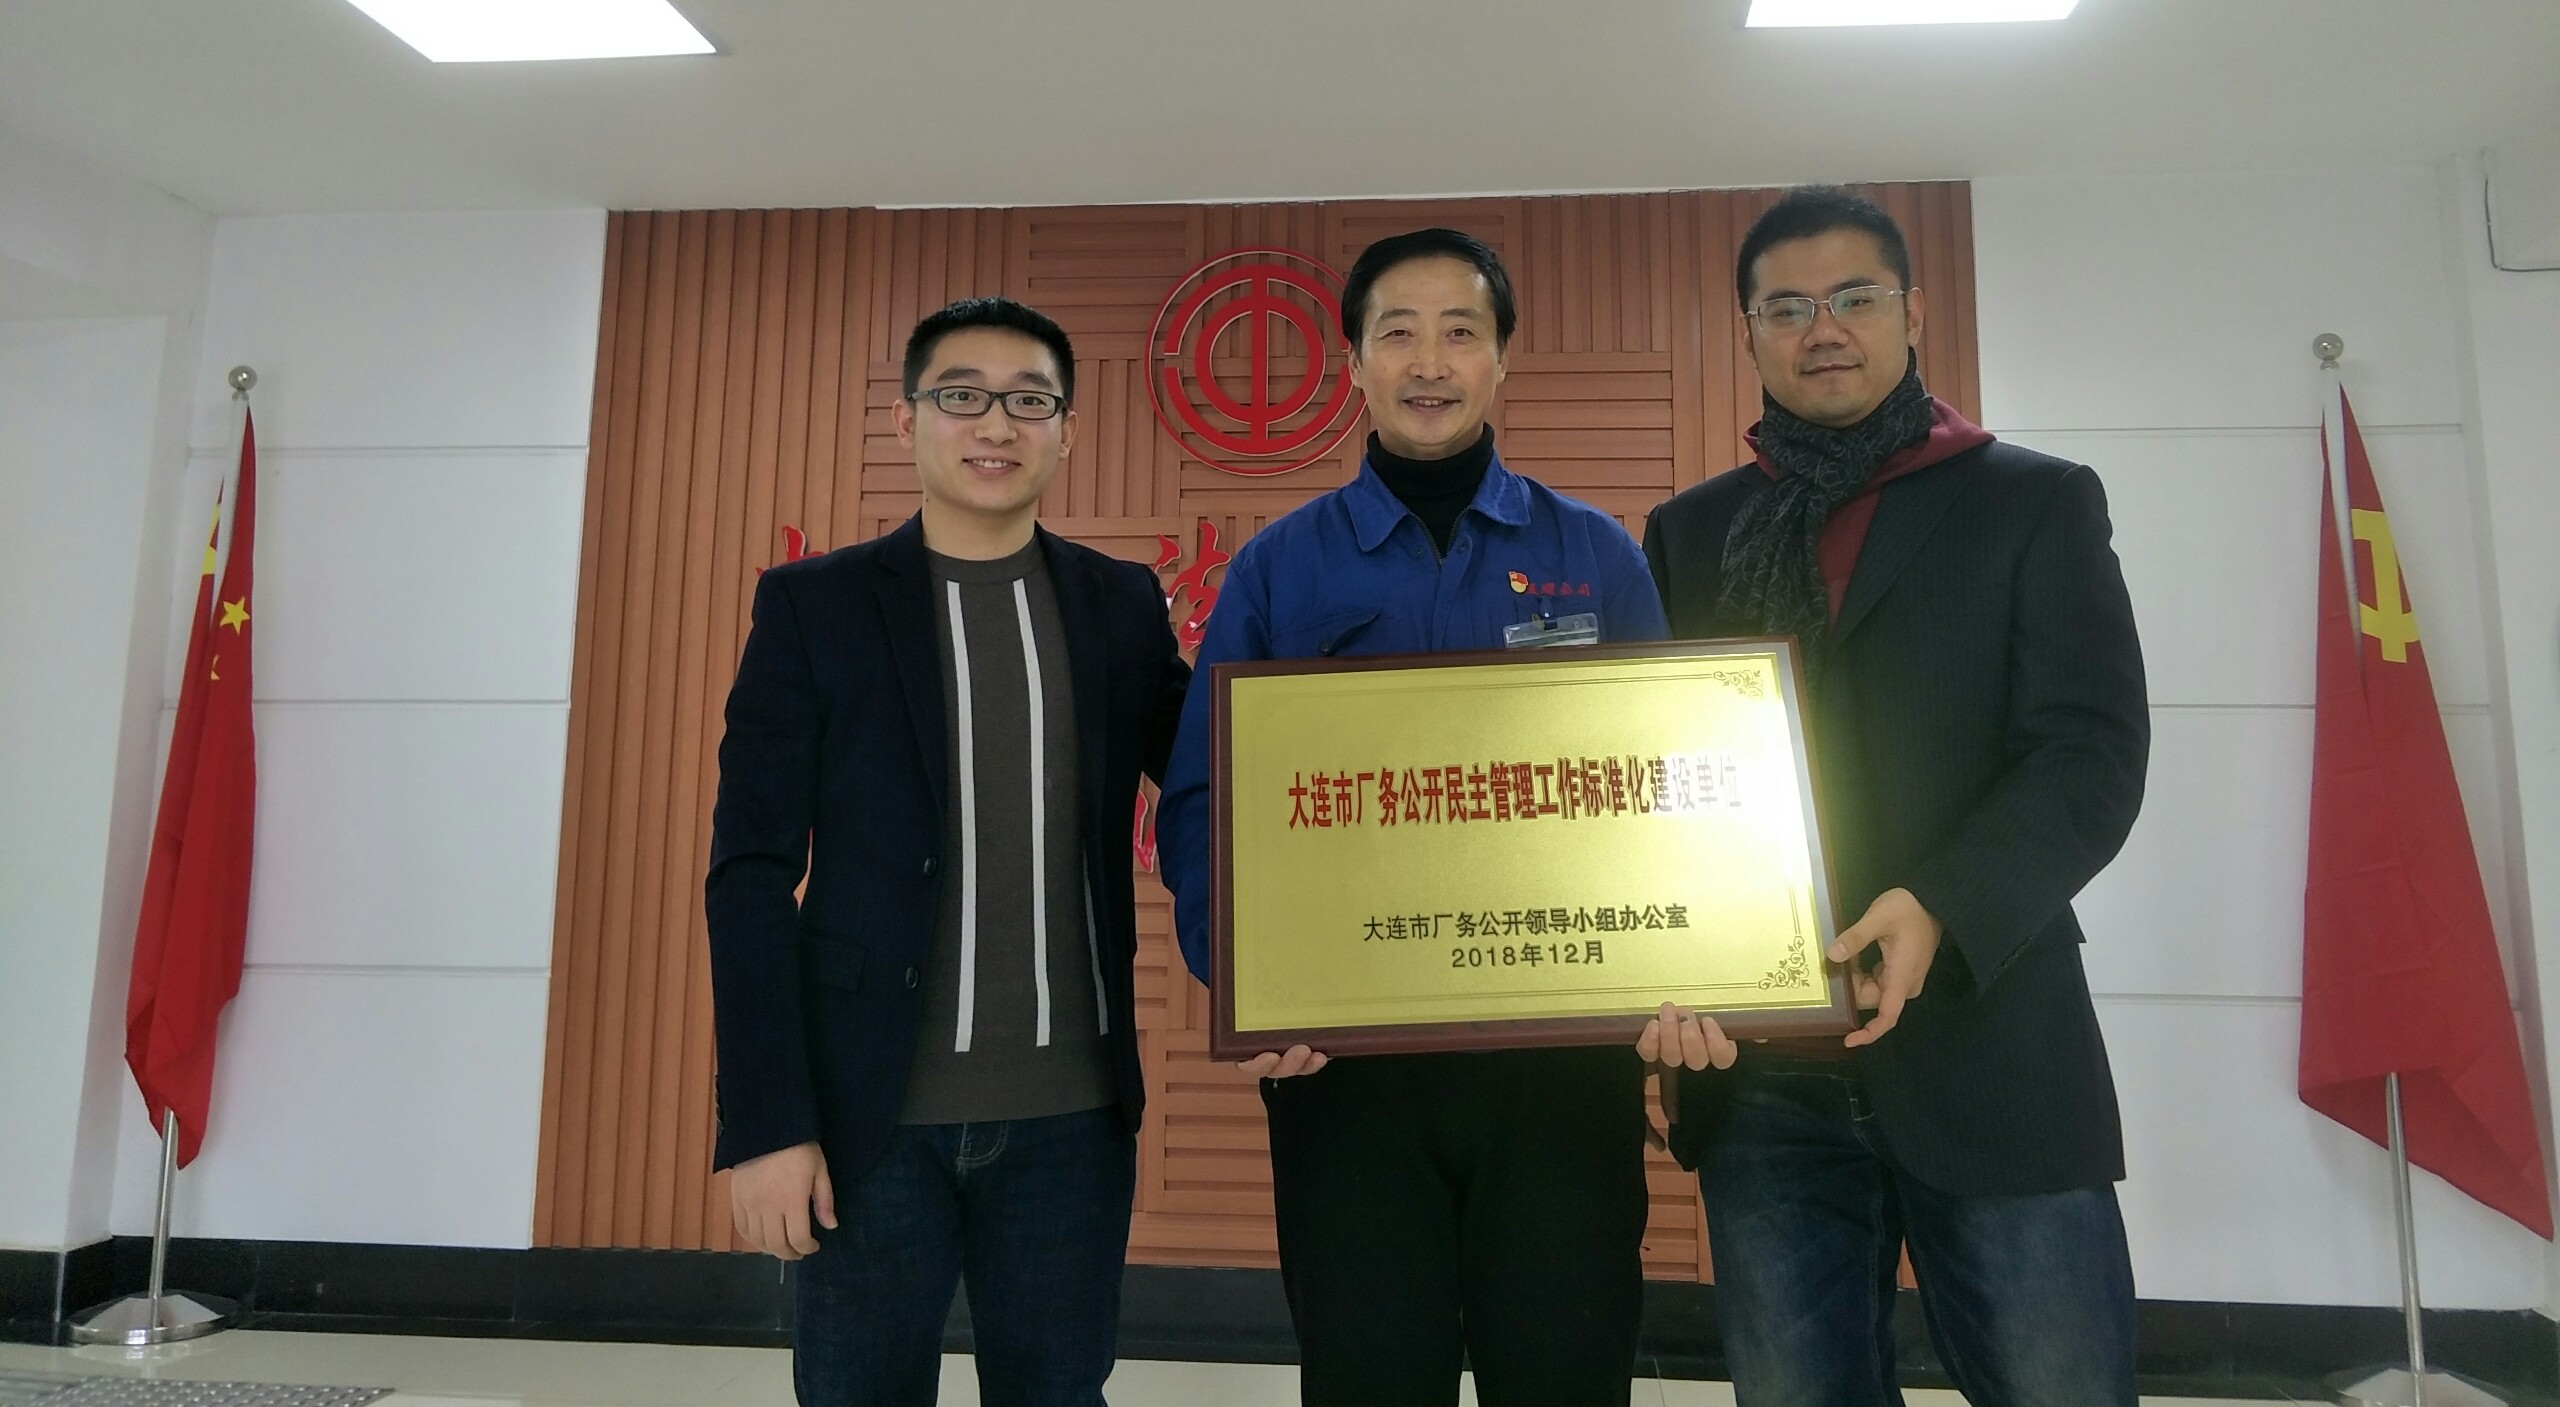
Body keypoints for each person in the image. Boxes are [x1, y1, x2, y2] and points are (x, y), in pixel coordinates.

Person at [1157, 228, 1730, 1407]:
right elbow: (1206, 794)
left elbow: (1668, 780)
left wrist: (1696, 960)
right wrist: (1248, 981)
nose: (1429, 362)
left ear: (1502, 359)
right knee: (1369, 1377)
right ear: (1354, 364)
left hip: (1560, 1062)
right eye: (1398, 334)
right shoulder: (1279, 570)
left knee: (1564, 1373)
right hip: (1347, 1071)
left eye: (1460, 332)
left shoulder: (1595, 555)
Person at [1644, 186, 2150, 1406]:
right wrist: (1652, 972)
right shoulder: (1690, 534)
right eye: (1786, 308)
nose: (1822, 329)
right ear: (1749, 333)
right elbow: (1651, 781)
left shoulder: (2031, 499)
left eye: (1854, 298)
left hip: (1988, 1034)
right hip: (1759, 1071)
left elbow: (2088, 754)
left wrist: (1938, 906)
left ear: (1912, 312)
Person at [705, 296, 1191, 1407]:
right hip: (867, 1125)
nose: (996, 424)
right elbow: (748, 874)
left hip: (1071, 1124)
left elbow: (1222, 777)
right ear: (906, 419)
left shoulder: (1118, 605)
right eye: (962, 396)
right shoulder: (814, 607)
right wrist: (768, 1123)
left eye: (1029, 401)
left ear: (1067, 430)